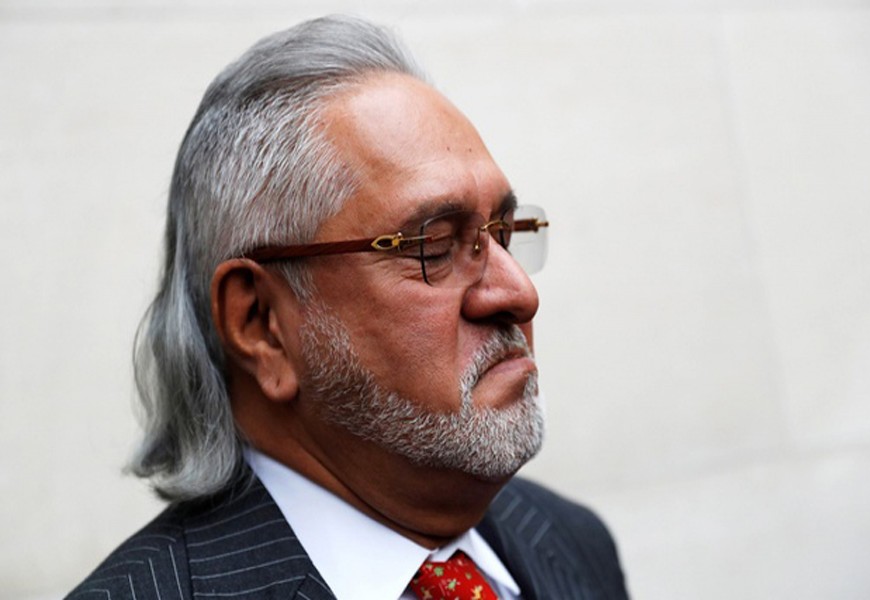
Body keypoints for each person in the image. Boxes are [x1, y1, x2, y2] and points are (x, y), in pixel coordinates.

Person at [66, 15, 628, 600]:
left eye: (504, 233)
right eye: (433, 245)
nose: (518, 294)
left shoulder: (571, 541)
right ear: (262, 325)